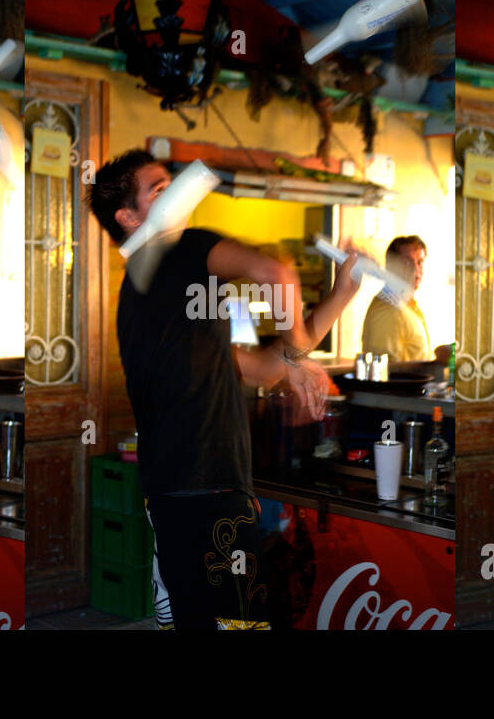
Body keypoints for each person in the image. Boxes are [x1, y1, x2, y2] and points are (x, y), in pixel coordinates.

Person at [88, 149, 361, 630]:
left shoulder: (152, 291)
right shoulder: (179, 249)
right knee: (237, 624)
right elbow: (276, 274)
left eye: (170, 182)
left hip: (180, 493)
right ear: (128, 217)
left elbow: (258, 368)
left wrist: (339, 296)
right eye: (157, 188)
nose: (172, 190)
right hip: (204, 490)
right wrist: (300, 358)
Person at [360, 235, 452, 364]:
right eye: (407, 262)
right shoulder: (388, 309)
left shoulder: (409, 306)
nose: (415, 269)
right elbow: (387, 373)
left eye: (419, 262)